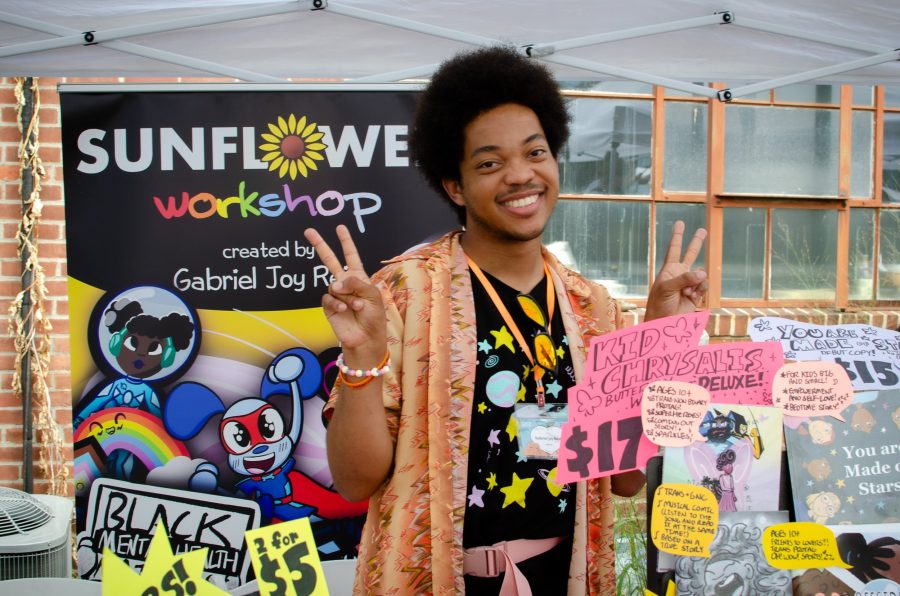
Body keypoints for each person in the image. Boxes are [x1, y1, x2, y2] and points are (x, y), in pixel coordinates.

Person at [304, 45, 707, 595]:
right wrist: (360, 359)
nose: (521, 176)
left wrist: (656, 344)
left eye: (535, 153)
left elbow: (625, 480)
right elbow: (355, 481)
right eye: (490, 163)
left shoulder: (594, 309)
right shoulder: (405, 291)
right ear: (455, 186)